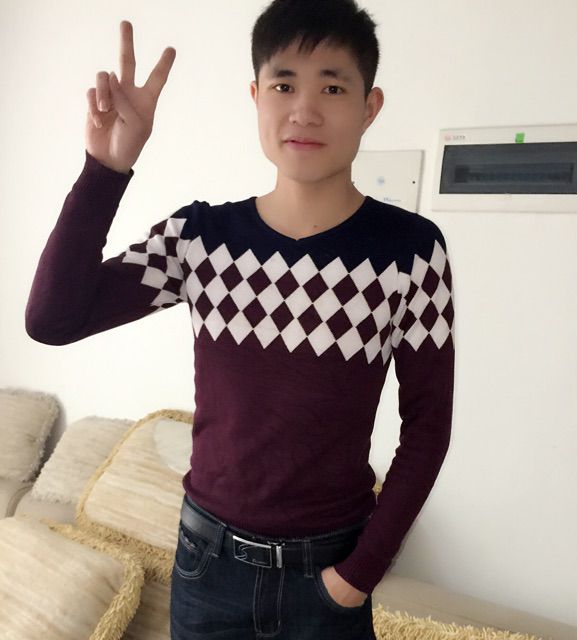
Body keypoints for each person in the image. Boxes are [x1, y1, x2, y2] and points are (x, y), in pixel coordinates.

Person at [25, 1, 455, 638]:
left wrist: (357, 576)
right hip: (207, 568)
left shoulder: (411, 251)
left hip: (330, 575)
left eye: (332, 87)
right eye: (283, 85)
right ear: (256, 97)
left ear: (370, 106)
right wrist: (106, 169)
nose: (303, 110)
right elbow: (53, 319)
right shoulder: (201, 238)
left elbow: (428, 426)